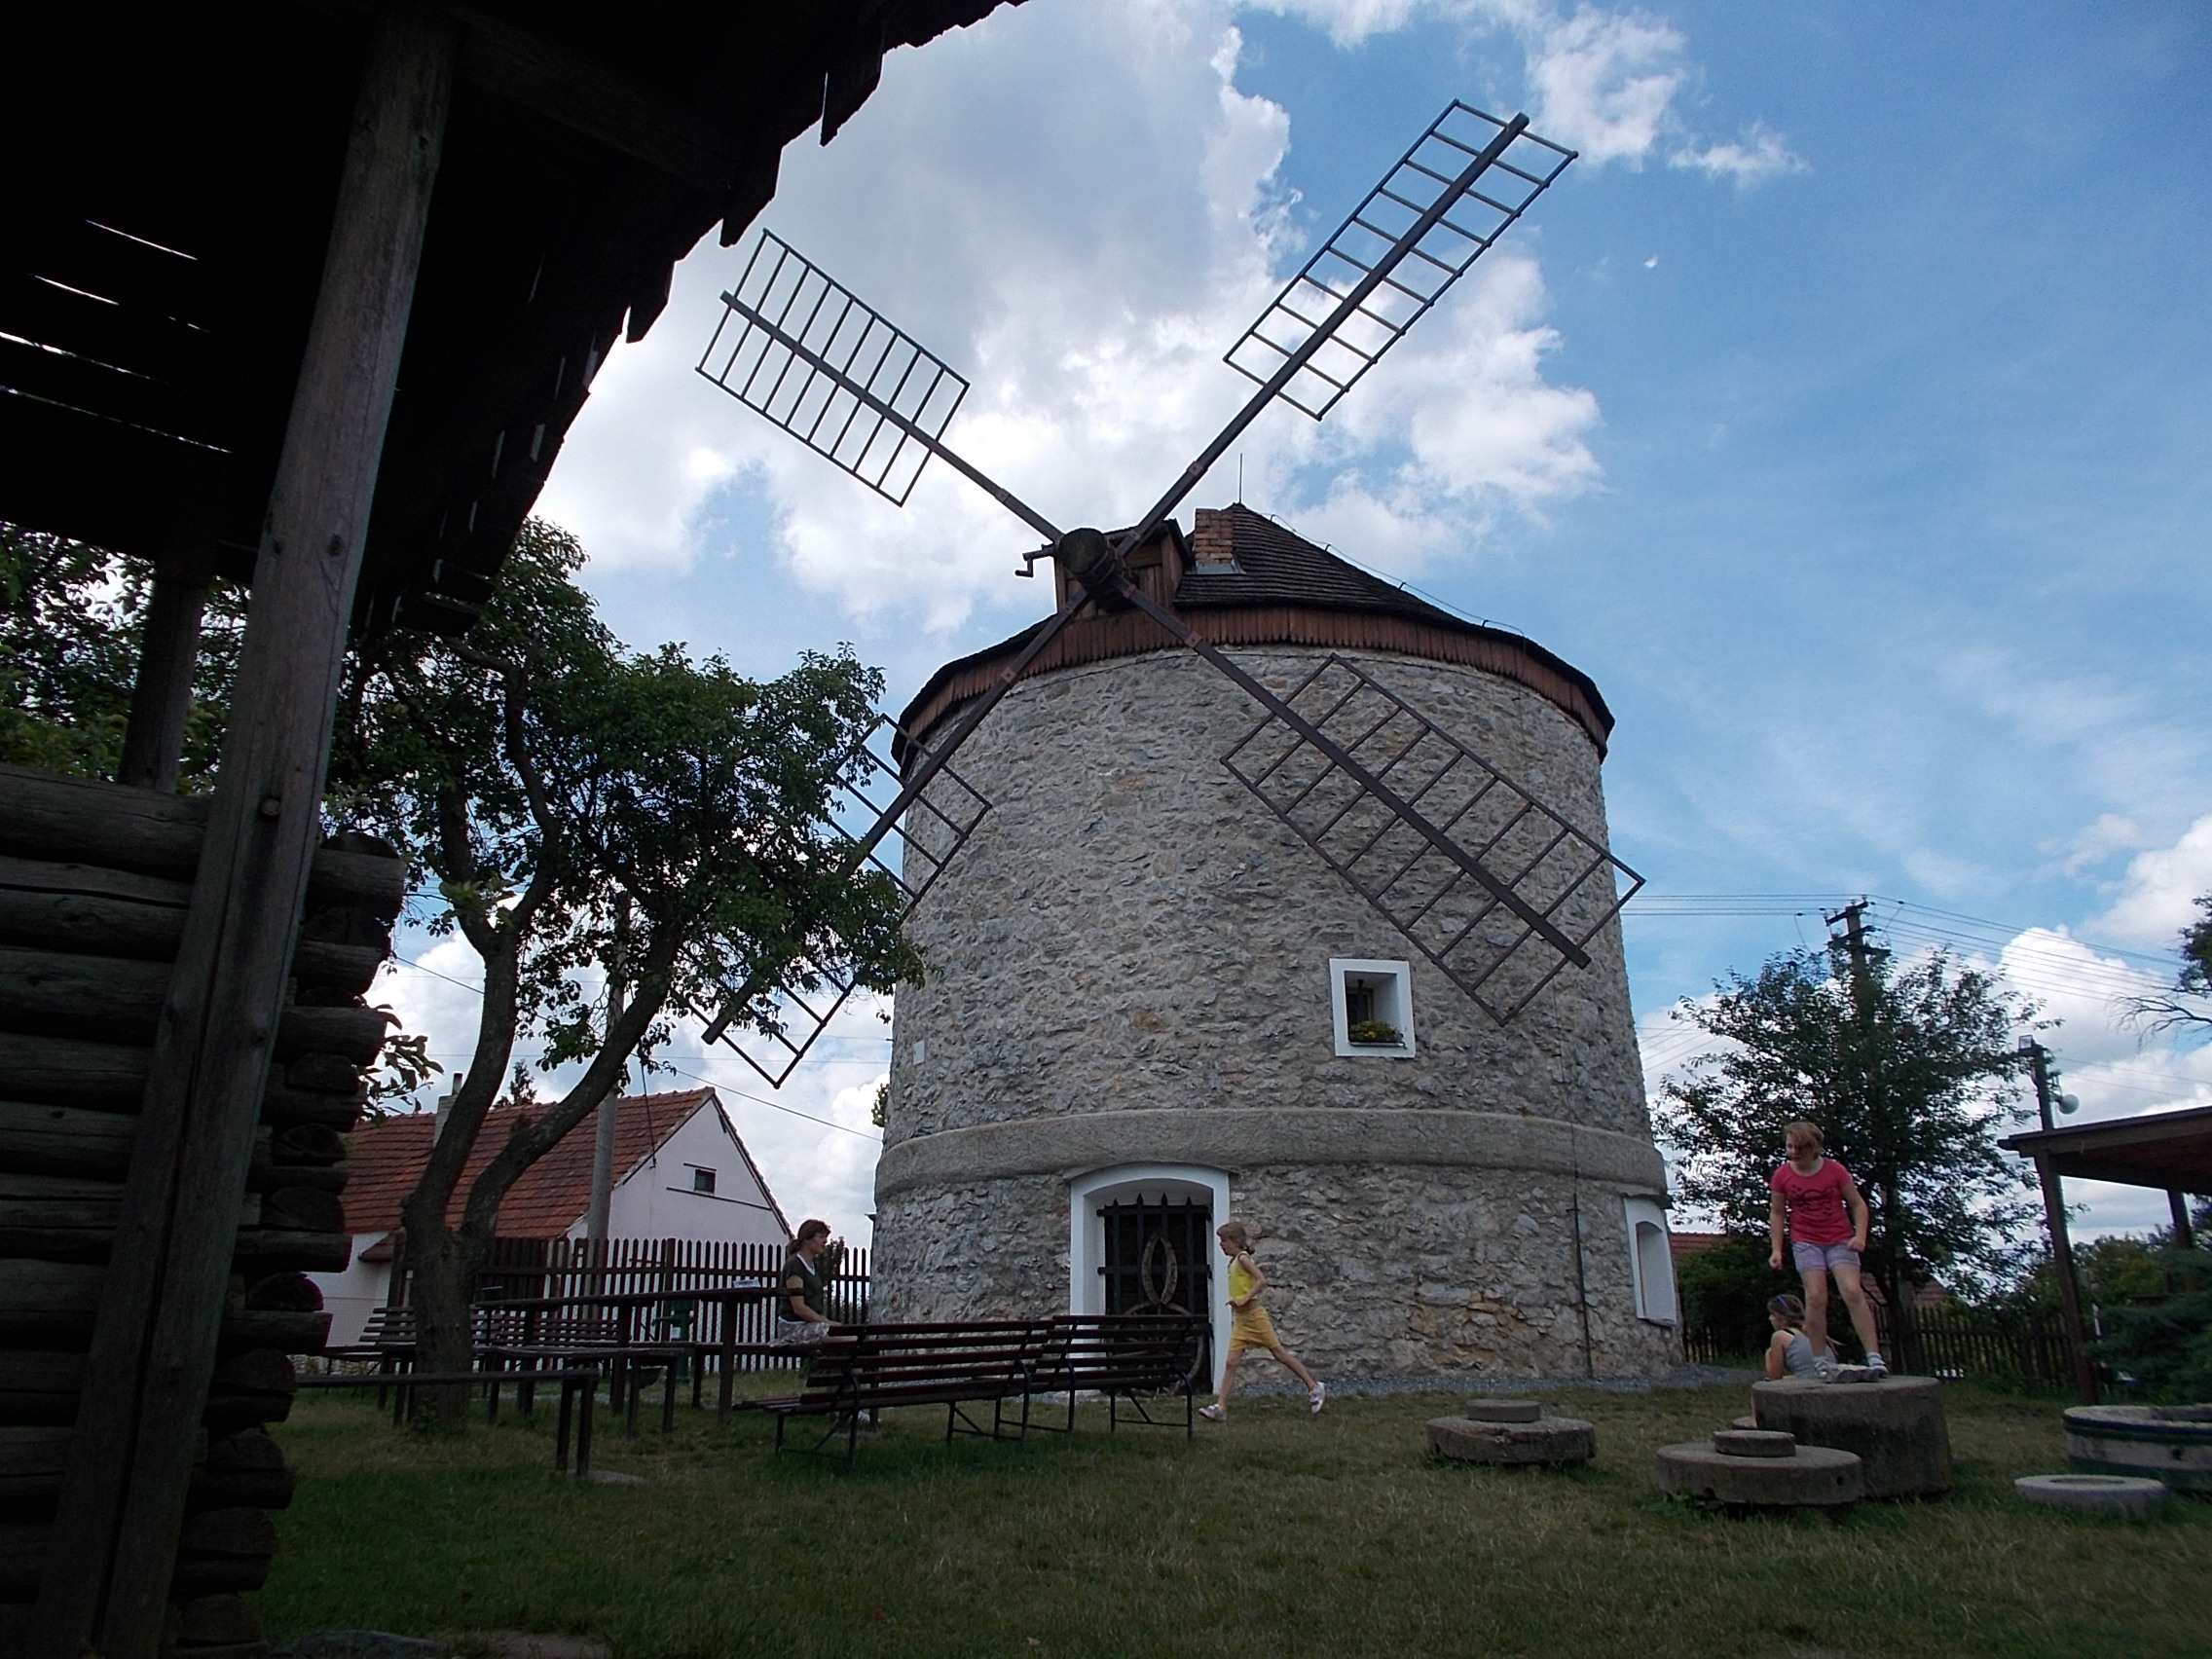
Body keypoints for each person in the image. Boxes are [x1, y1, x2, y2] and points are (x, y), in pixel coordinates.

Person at [1767, 1121, 1885, 1375]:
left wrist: (1860, 1236)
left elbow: (1858, 1204)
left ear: (1813, 1148)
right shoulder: (1782, 1175)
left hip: (1839, 1238)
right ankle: (1820, 1360)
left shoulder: (1834, 1171)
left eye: (1799, 1148)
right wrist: (1776, 1249)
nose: (1793, 1152)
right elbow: (1777, 1213)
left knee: (1852, 1290)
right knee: (1815, 1296)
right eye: (1789, 1147)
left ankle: (1874, 1357)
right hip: (1806, 1240)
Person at [1198, 1221, 1325, 1421]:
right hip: (1242, 1320)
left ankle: (1314, 1387)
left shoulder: (1243, 1259)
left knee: (1279, 1354)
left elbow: (1261, 1280)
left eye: (1224, 1241)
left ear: (1235, 1241)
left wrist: (1244, 1298)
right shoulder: (1233, 1262)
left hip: (1255, 1317)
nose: (1221, 1245)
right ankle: (1220, 1407)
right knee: (1231, 1363)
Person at [773, 1218, 838, 1347]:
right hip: (792, 1327)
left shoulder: (814, 1266)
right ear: (807, 1239)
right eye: (821, 1237)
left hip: (811, 1325)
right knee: (846, 1338)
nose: (825, 1241)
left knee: (850, 1337)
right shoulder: (795, 1265)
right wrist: (826, 1322)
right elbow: (799, 1308)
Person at [1763, 1293, 1825, 1381]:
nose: (1770, 1318)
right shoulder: (1814, 1334)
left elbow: (1775, 1379)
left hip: (1809, 1385)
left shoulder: (1779, 1336)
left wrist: (1768, 1356)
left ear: (1781, 1317)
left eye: (1772, 1315)